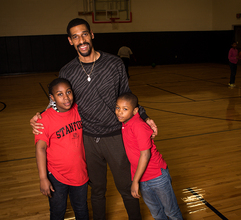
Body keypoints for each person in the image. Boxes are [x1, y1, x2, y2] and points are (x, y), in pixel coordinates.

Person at [30, 18, 158, 220]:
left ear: (92, 34)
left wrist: (144, 116)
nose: (81, 40)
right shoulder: (68, 71)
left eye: (84, 34)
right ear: (70, 41)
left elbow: (126, 94)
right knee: (97, 191)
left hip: (115, 137)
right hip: (87, 139)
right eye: (75, 36)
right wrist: (41, 115)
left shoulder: (114, 63)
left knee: (127, 188)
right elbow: (60, 100)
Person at [115, 92, 183, 220]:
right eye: (117, 107)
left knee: (171, 212)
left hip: (157, 176)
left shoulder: (139, 126)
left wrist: (135, 181)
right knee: (157, 213)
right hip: (142, 178)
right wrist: (138, 179)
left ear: (135, 111)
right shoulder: (125, 123)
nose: (119, 112)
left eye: (125, 109)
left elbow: (145, 155)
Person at [35, 78, 89, 220]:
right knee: (58, 211)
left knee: (82, 210)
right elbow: (40, 148)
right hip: (56, 176)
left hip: (80, 173)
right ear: (52, 98)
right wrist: (43, 178)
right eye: (60, 94)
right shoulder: (44, 119)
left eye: (68, 92)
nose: (66, 97)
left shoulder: (79, 110)